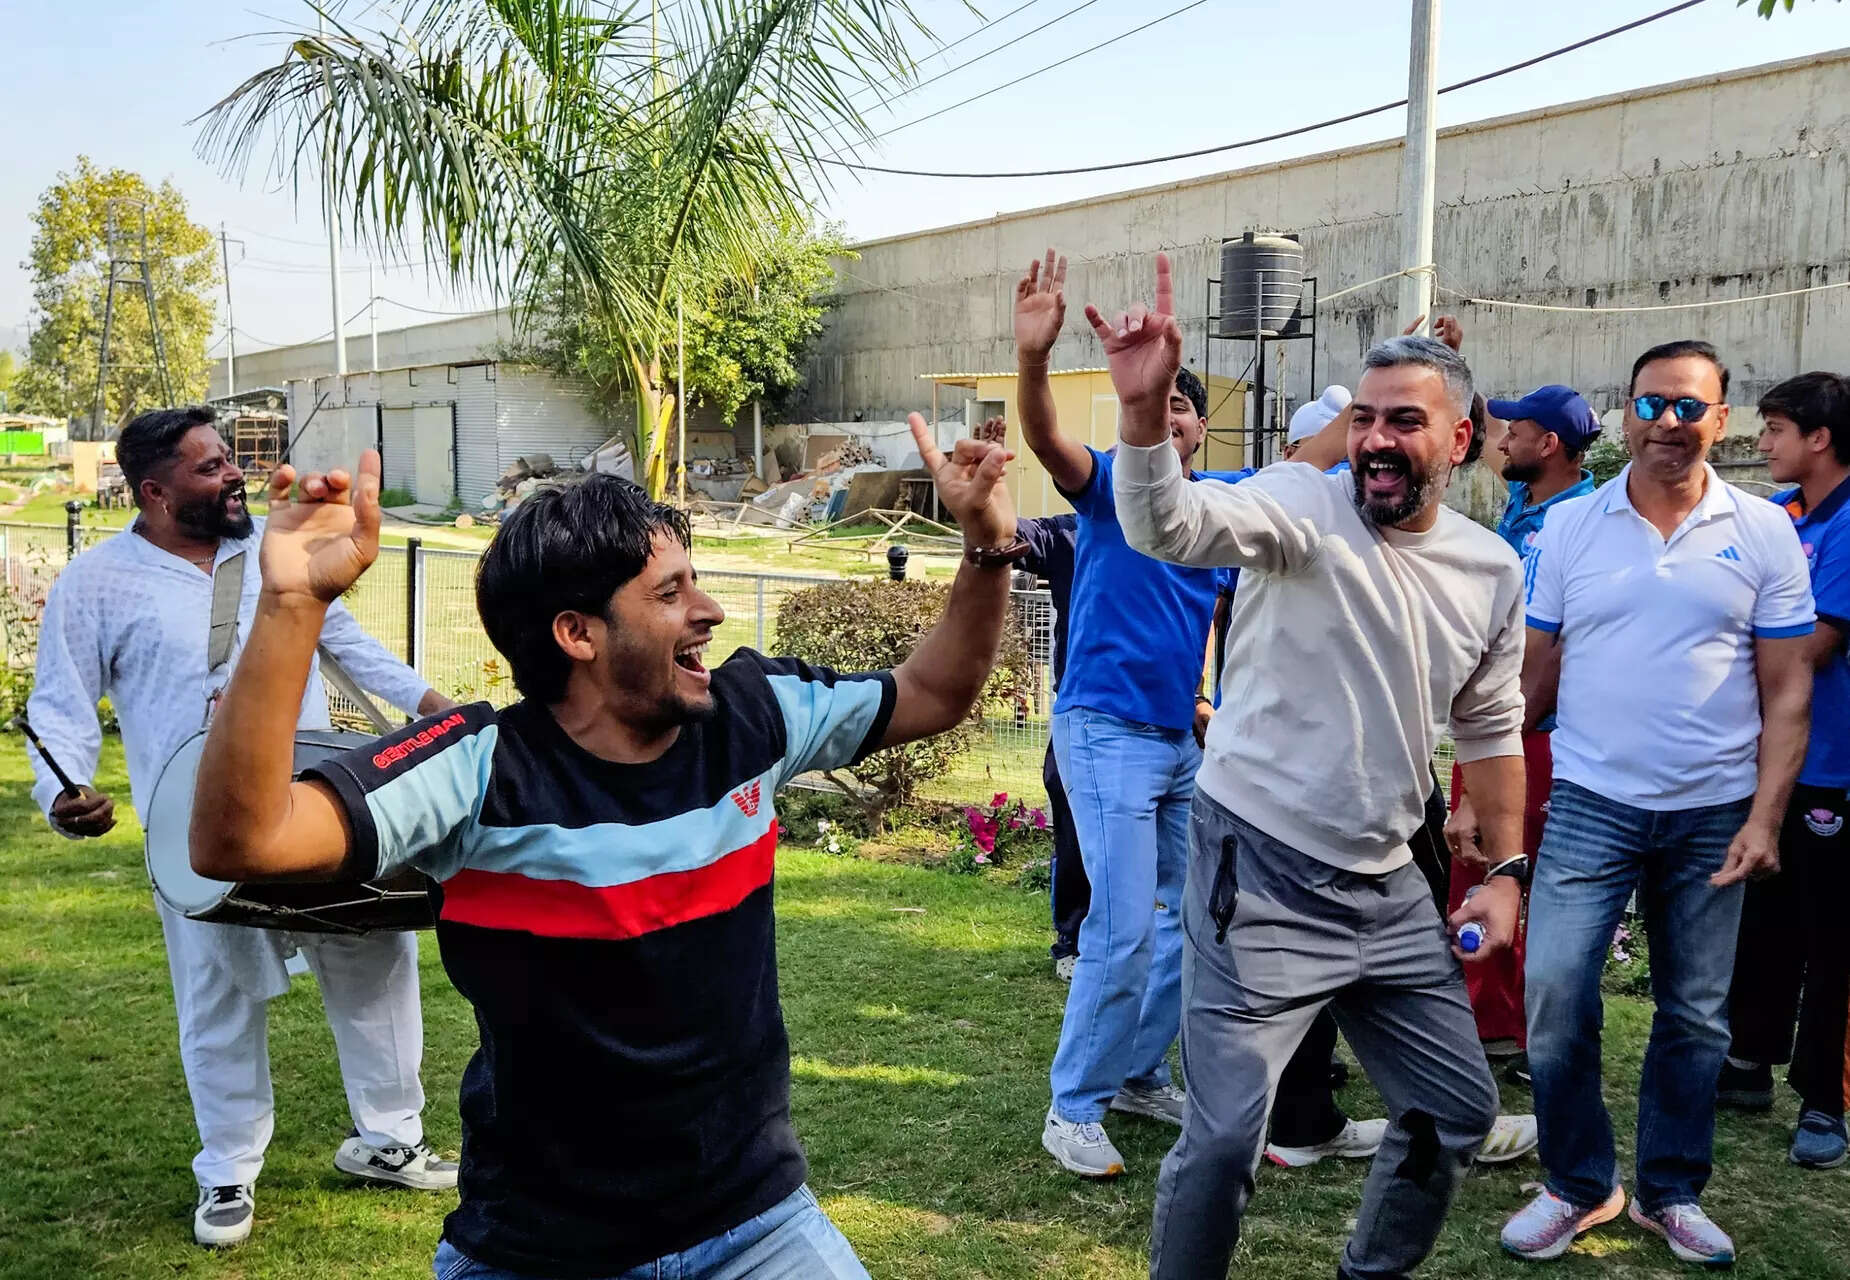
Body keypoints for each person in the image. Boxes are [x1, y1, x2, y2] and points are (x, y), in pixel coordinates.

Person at [187, 416, 1020, 1280]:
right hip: (541, 1250)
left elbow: (930, 692)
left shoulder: (755, 716)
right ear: (577, 634)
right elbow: (238, 840)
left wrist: (987, 549)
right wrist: (292, 606)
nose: (710, 611)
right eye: (669, 594)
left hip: (757, 1223)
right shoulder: (478, 772)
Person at [1099, 254, 1527, 1280]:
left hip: (1385, 886)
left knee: (1454, 1110)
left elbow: (1490, 728)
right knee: (1219, 1142)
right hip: (1258, 870)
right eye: (1367, 417)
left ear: (1458, 440)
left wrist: (1506, 872)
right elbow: (1168, 522)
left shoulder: (1490, 568)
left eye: (1404, 422)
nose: (1377, 439)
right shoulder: (1299, 503)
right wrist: (1142, 412)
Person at [24, 406, 459, 1249]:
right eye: (208, 466)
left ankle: (389, 1137)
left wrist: (438, 708)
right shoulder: (97, 583)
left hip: (313, 807)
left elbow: (345, 641)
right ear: (153, 491)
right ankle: (227, 1169)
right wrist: (65, 789)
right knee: (216, 996)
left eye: (228, 459)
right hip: (196, 831)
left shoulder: (275, 553)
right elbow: (61, 700)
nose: (232, 475)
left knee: (372, 957)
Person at [1505, 341, 1815, 1267]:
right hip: (1592, 801)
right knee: (1556, 994)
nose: (1669, 424)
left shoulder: (1762, 532)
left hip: (1713, 814)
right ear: (1627, 412)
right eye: (1653, 405)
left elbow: (1788, 688)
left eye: (1691, 408)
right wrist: (1494, 795)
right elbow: (1534, 676)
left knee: (1695, 1015)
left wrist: (1764, 818)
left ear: (1721, 420)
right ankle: (1578, 1183)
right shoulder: (1572, 530)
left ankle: (1670, 1190)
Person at [1012, 249, 1273, 1177]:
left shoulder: (1219, 512)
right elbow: (1045, 443)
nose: (1169, 416)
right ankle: (1072, 1106)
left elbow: (1207, 617)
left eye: (1183, 405)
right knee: (1121, 926)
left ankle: (1134, 1075)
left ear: (1200, 425)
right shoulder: (1115, 481)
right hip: (1104, 731)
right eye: (1157, 402)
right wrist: (1034, 360)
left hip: (1177, 741)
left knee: (1191, 918)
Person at [1446, 384, 1600, 1081]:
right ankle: (1486, 1022)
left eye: (1517, 431)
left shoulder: (1585, 523)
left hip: (1531, 730)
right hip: (1491, 719)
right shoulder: (1526, 506)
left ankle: (1513, 1030)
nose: (1501, 441)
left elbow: (1556, 652)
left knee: (1508, 870)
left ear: (1552, 445)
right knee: (1473, 870)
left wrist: (1497, 751)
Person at [1718, 372, 1850, 1170]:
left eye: (1773, 428)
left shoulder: (1849, 524)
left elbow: (1814, 644)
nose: (1762, 444)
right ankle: (1745, 1064)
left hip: (1835, 767)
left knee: (1832, 937)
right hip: (1775, 765)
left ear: (1819, 438)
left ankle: (1826, 1103)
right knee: (1761, 920)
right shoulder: (1790, 518)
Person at [1015, 508, 1089, 978]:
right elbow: (1011, 533)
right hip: (1081, 715)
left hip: (1163, 715)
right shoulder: (1073, 533)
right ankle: (1072, 942)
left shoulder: (1186, 512)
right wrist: (986, 493)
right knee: (1075, 830)